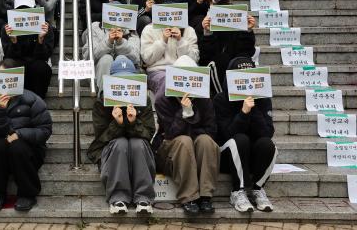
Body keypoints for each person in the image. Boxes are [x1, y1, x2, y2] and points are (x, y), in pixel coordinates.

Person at [87, 56, 156, 215]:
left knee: (137, 143)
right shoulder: (101, 103)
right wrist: (116, 123)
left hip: (139, 149)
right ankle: (118, 198)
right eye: (120, 80)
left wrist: (133, 123)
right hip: (112, 150)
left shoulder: (143, 100)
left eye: (128, 80)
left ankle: (143, 198)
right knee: (120, 143)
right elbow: (101, 138)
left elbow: (149, 134)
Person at [154, 55, 220, 215]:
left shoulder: (203, 97)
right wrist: (184, 113)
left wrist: (193, 131)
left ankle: (205, 195)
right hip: (170, 149)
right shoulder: (162, 98)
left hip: (194, 146)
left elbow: (211, 130)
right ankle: (189, 196)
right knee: (184, 141)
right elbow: (170, 133)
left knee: (205, 141)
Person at [214, 57, 276, 213]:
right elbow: (226, 134)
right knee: (240, 139)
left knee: (268, 145)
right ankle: (237, 191)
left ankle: (257, 189)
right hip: (228, 156)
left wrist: (253, 110)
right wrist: (243, 112)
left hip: (252, 157)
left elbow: (267, 133)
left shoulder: (263, 99)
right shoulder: (221, 99)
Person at [0, 87, 53, 212]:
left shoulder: (33, 99)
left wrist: (19, 134)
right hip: (1, 142)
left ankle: (27, 193)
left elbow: (44, 130)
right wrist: (0, 110)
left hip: (29, 147)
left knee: (17, 147)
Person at [140, 0, 199, 102]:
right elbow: (147, 59)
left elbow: (195, 59)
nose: (169, 12)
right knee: (166, 82)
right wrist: (162, 41)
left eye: (173, 8)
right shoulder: (149, 29)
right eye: (165, 9)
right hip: (158, 71)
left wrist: (181, 41)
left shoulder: (189, 30)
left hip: (183, 71)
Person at [199, 0, 257, 87]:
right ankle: (222, 96)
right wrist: (207, 33)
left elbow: (247, 51)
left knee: (244, 61)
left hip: (235, 61)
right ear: (211, 2)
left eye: (225, 3)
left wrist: (247, 30)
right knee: (222, 59)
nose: (223, 6)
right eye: (219, 3)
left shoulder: (239, 20)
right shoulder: (203, 22)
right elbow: (204, 55)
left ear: (231, 2)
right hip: (214, 65)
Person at [1, 0, 54, 99]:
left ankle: (38, 100)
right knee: (7, 65)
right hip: (18, 60)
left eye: (28, 9)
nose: (24, 13)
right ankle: (11, 100)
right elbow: (8, 55)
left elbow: (46, 55)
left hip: (36, 60)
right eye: (21, 9)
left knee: (41, 68)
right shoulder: (7, 28)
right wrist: (14, 42)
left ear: (34, 8)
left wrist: (40, 40)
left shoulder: (45, 26)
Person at [82, 14, 140, 95]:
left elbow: (136, 59)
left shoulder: (130, 30)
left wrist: (121, 42)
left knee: (121, 58)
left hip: (126, 71)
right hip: (98, 71)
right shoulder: (96, 27)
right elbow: (88, 57)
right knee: (106, 58)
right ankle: (103, 97)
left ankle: (124, 100)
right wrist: (108, 41)